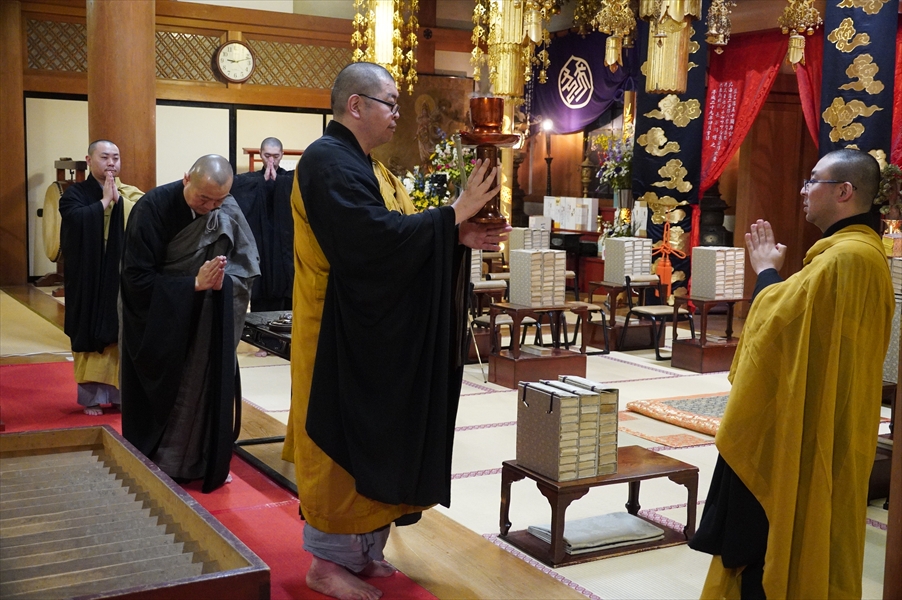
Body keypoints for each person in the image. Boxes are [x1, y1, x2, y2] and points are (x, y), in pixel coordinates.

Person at [282, 62, 510, 600]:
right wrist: (451, 214)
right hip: (336, 332)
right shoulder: (325, 160)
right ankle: (326, 563)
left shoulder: (368, 166)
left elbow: (398, 233)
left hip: (369, 327)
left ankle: (364, 552)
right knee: (338, 447)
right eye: (390, 103)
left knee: (377, 437)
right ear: (355, 105)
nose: (397, 114)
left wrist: (456, 235)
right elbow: (368, 241)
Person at [689, 148, 894, 599]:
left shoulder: (845, 259)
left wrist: (765, 272)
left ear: (844, 191)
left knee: (781, 532)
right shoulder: (857, 255)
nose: (803, 190)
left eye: (812, 181)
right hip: (827, 415)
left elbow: (776, 329)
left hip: (812, 423)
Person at [120, 154, 260, 493]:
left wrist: (224, 282)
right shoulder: (151, 210)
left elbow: (245, 265)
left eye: (218, 200)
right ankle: (162, 458)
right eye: (204, 198)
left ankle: (204, 459)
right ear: (186, 179)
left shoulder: (227, 209)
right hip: (161, 320)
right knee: (169, 390)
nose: (211, 207)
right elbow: (136, 281)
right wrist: (192, 285)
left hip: (208, 318)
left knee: (207, 386)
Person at [58, 140, 143, 416]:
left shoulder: (129, 193)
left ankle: (120, 395)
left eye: (116, 157)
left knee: (121, 330)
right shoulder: (75, 194)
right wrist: (104, 202)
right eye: (105, 157)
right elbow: (73, 220)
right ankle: (91, 398)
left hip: (119, 271)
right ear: (89, 160)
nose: (111, 163)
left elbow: (146, 217)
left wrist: (120, 202)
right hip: (88, 276)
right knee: (89, 331)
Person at [231, 137, 294, 313]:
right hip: (260, 245)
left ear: (282, 154)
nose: (271, 161)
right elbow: (234, 186)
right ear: (260, 154)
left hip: (284, 246)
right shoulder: (250, 180)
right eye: (267, 156)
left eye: (275, 156)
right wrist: (261, 183)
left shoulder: (290, 179)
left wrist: (279, 182)